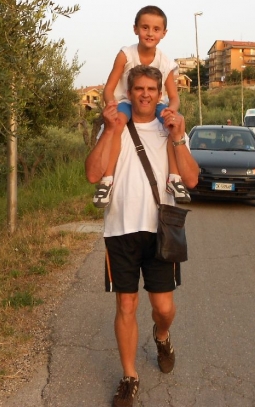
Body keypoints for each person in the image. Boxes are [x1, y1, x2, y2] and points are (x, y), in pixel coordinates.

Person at [85, 65, 199, 407]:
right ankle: (130, 376)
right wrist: (108, 131)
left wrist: (179, 136)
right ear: (129, 92)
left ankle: (162, 336)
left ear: (159, 94)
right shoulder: (115, 126)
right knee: (126, 304)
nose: (146, 93)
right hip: (119, 231)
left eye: (152, 88)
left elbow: (191, 181)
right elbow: (93, 174)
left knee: (163, 308)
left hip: (160, 230)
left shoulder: (171, 129)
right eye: (139, 88)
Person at [92, 5, 190, 209]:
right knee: (118, 123)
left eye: (156, 29)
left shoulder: (166, 62)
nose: (150, 33)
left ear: (164, 33)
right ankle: (107, 180)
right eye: (145, 27)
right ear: (135, 29)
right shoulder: (126, 55)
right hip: (126, 101)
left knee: (171, 126)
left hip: (157, 102)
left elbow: (174, 97)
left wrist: (170, 110)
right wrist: (111, 105)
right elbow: (109, 88)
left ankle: (174, 178)